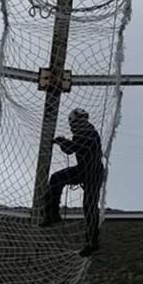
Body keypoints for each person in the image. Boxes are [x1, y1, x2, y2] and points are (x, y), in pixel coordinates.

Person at [40, 108, 105, 257]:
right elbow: (72, 147)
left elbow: (71, 149)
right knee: (56, 178)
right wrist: (63, 142)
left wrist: (61, 141)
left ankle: (92, 241)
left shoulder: (89, 133)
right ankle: (52, 214)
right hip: (83, 170)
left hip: (93, 173)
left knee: (89, 205)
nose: (76, 126)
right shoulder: (82, 133)